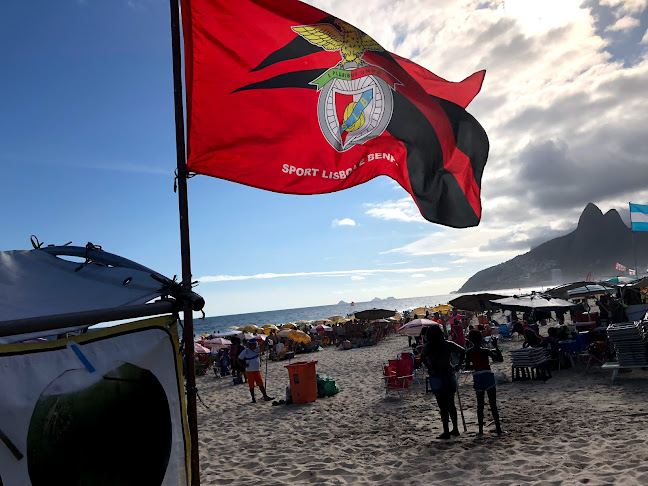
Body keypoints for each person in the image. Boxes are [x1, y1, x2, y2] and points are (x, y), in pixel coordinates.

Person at [421, 325, 465, 439]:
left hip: (436, 376)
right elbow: (463, 351)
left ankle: (446, 431)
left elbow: (422, 358)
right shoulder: (447, 344)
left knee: (442, 406)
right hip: (448, 374)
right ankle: (455, 429)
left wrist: (429, 367)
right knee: (451, 404)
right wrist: (458, 365)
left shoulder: (428, 346)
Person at [465, 330, 503, 435]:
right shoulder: (485, 350)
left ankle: (481, 431)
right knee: (493, 404)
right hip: (487, 375)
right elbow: (500, 359)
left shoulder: (469, 352)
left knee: (480, 404)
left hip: (478, 376)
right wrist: (495, 346)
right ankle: (498, 429)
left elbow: (467, 367)